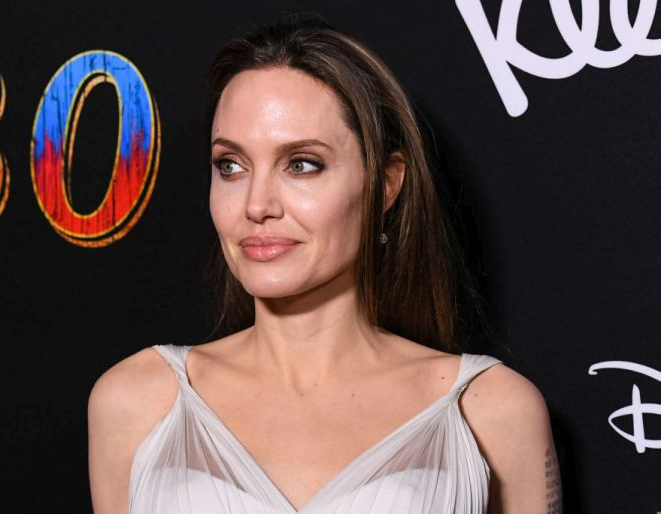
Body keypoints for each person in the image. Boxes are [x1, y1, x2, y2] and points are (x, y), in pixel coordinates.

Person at [88, 16, 561, 514]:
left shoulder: (492, 411)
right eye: (231, 165)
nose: (256, 205)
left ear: (385, 185)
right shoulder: (136, 401)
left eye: (301, 164)